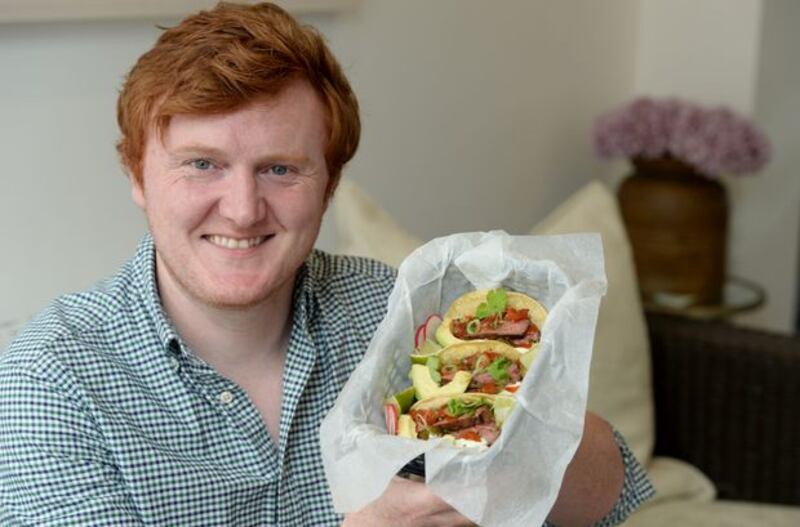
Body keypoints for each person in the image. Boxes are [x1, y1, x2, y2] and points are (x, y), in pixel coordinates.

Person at [0, 2, 652, 526]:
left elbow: (612, 491)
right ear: (137, 174)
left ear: (328, 183)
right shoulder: (51, 384)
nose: (242, 208)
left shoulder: (391, 306)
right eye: (202, 164)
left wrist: (519, 433)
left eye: (280, 168)